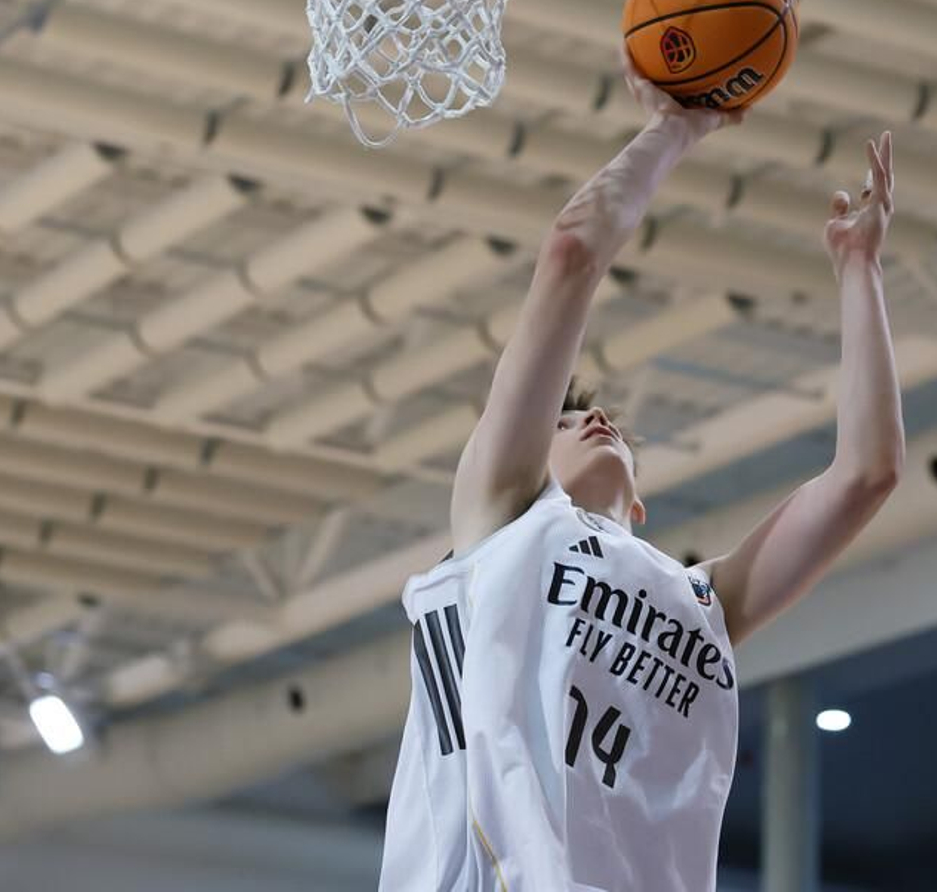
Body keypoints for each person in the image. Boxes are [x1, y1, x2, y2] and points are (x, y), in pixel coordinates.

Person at [378, 53, 906, 892]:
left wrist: (859, 271)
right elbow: (570, 253)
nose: (591, 420)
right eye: (562, 421)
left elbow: (867, 474)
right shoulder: (501, 520)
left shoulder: (703, 602)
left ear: (642, 502)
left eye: (609, 425)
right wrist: (677, 126)